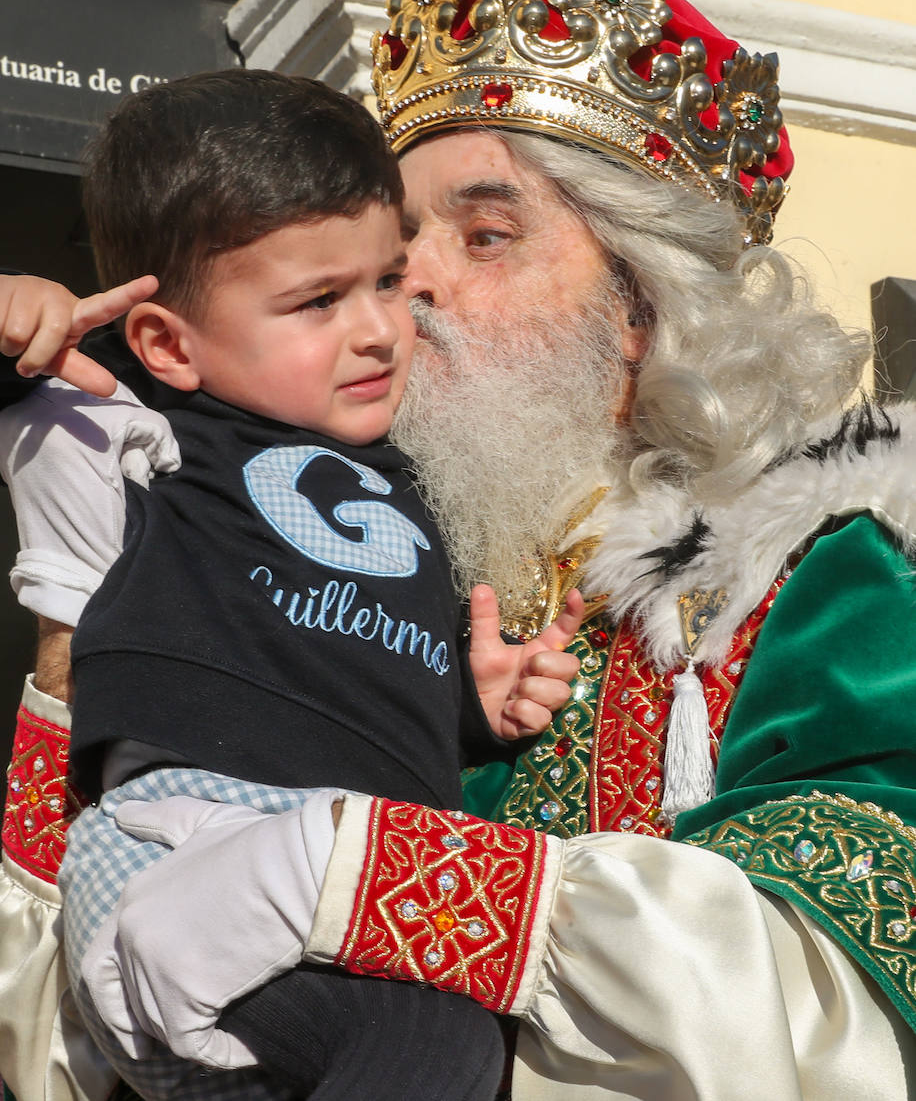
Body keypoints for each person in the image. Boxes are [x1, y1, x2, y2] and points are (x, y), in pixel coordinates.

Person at [2, 0, 916, 1100]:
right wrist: (83, 610)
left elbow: (828, 1003)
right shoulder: (296, 569)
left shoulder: (812, 583)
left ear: (643, 310)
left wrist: (354, 873)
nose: (408, 289)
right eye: (384, 255)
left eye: (481, 235)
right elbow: (58, 1040)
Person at [0, 68, 584, 1101]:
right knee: (434, 1048)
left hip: (325, 885)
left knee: (436, 1054)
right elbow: (44, 408)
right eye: (318, 300)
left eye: (387, 280)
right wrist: (23, 330)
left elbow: (344, 676)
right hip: (188, 843)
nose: (378, 328)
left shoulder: (412, 475)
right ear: (168, 343)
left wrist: (469, 705)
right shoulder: (155, 423)